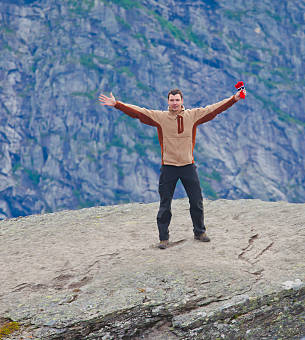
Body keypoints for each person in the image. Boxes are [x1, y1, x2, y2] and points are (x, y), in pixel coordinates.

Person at [99, 86, 245, 249]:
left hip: (188, 165)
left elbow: (214, 109)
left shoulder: (193, 115)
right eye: (172, 100)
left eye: (177, 100)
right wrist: (117, 104)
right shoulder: (160, 117)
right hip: (168, 167)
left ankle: (199, 232)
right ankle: (163, 238)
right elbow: (139, 112)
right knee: (165, 204)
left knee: (196, 200)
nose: (174, 103)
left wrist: (234, 99)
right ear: (167, 102)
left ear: (182, 101)